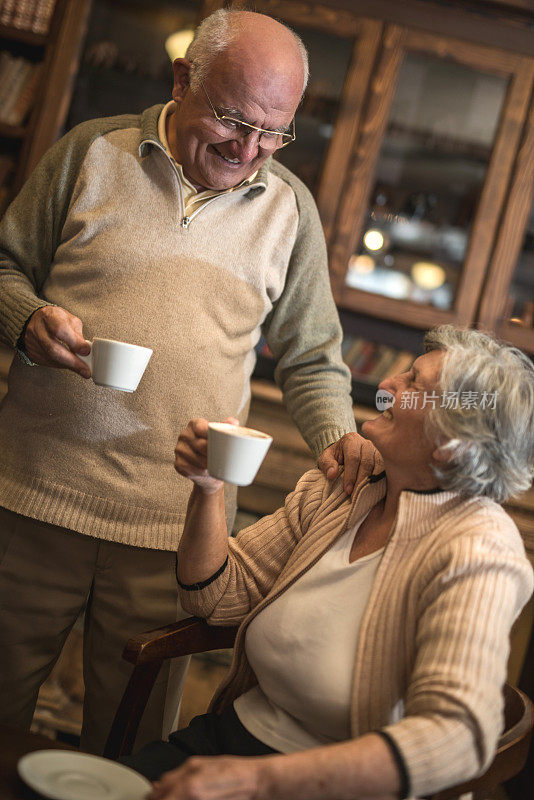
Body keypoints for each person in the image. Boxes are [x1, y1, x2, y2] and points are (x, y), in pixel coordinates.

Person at [0, 9, 362, 753]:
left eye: (274, 133)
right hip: (30, 503)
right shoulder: (91, 153)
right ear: (181, 80)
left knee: (129, 750)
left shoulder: (290, 210)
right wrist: (26, 318)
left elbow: (313, 357)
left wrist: (343, 444)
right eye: (232, 119)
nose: (249, 148)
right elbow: (4, 267)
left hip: (174, 538)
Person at [122, 325, 534, 800]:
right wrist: (208, 487)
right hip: (227, 743)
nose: (385, 387)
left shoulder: (480, 547)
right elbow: (214, 597)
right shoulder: (348, 486)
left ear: (452, 442)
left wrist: (260, 781)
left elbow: (456, 737)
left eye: (413, 385)